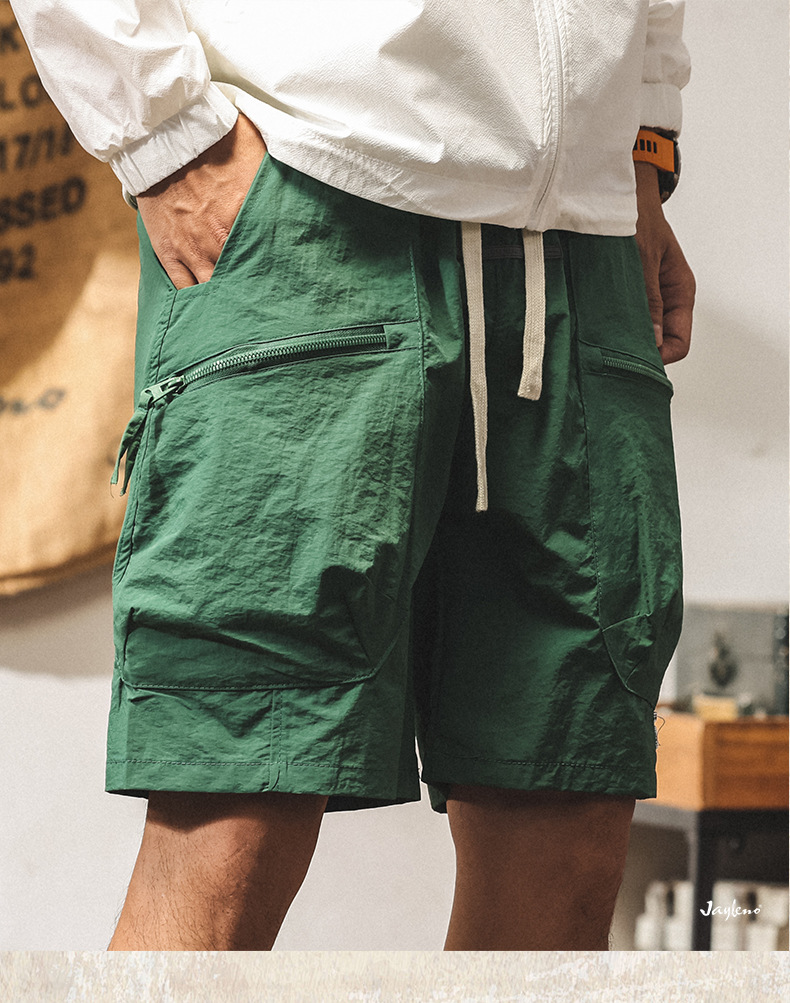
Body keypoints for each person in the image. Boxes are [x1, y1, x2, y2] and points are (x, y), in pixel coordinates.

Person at [11, 0, 694, 950]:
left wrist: (642, 154)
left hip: (583, 239)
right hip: (312, 197)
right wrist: (162, 135)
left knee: (567, 821)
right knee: (235, 811)